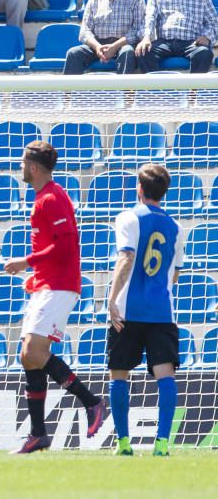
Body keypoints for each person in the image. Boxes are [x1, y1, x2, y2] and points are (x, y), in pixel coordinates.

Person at [3, 141, 106, 454]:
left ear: (33, 167)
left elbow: (65, 244)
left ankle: (92, 402)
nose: (20, 168)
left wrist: (26, 262)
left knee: (34, 350)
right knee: (27, 354)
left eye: (23, 163)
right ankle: (38, 434)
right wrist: (36, 275)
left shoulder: (52, 198)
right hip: (47, 282)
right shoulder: (43, 197)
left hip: (60, 285)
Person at [106, 164, 184, 457]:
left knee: (119, 374)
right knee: (165, 374)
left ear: (140, 188)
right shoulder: (177, 228)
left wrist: (112, 299)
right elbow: (174, 275)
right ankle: (162, 444)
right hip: (162, 312)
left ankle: (124, 443)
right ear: (164, 192)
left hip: (128, 309)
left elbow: (126, 258)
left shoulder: (128, 217)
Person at [136, 0, 218, 74]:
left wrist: (207, 37)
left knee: (204, 53)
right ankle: (156, 90)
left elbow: (214, 23)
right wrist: (146, 37)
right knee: (144, 52)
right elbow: (149, 18)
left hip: (191, 42)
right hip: (164, 42)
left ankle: (193, 91)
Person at [64, 0, 143, 75]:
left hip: (123, 44)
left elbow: (138, 30)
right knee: (73, 53)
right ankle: (68, 93)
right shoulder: (94, 0)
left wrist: (115, 46)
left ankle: (126, 93)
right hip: (98, 45)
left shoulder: (136, 0)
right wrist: (97, 47)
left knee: (127, 52)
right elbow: (84, 31)